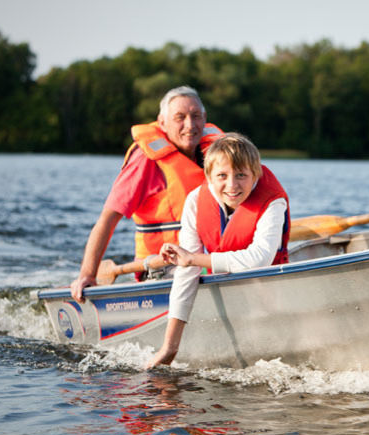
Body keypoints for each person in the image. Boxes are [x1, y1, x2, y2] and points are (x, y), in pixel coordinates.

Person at [145, 133, 290, 368]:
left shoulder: (272, 201)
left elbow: (260, 259)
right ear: (209, 177)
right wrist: (170, 346)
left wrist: (193, 258)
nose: (232, 185)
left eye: (241, 175)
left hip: (267, 293)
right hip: (226, 286)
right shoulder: (195, 200)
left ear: (256, 175)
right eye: (222, 176)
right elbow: (186, 271)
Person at [70, 86, 224, 302]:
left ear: (205, 118)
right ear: (162, 123)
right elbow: (107, 219)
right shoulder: (145, 161)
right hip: (161, 268)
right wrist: (87, 274)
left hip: (206, 261)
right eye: (180, 118)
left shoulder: (218, 155)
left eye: (196, 116)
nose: (190, 125)